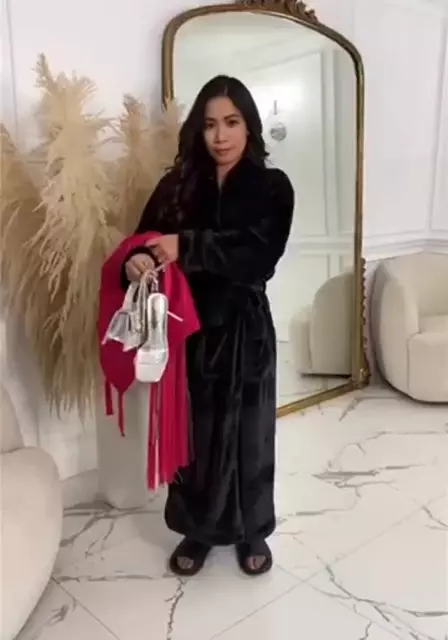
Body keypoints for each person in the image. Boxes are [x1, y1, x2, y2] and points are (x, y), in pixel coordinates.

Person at [123, 75, 294, 577]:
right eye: (210, 124)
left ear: (249, 126)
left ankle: (251, 529)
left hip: (245, 328)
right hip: (189, 327)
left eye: (231, 122)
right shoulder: (176, 186)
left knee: (250, 434)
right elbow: (143, 239)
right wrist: (136, 260)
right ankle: (196, 528)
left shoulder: (272, 187)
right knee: (194, 434)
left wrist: (187, 246)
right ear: (198, 130)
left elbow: (259, 255)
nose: (221, 136)